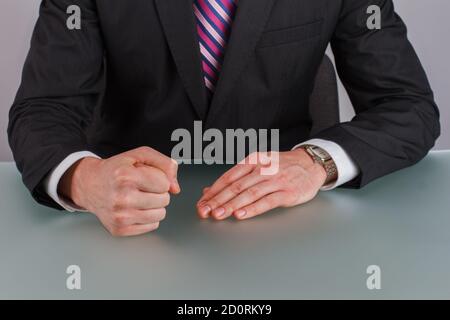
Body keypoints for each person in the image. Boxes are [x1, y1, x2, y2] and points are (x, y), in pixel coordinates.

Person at [8, 0, 440, 236]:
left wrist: (317, 163)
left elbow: (408, 105)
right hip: (129, 219)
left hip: (285, 223)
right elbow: (42, 108)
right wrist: (85, 181)